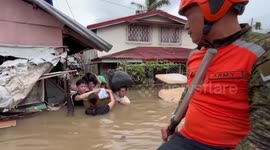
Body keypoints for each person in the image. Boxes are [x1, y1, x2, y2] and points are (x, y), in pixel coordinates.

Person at [158, 0, 270, 150]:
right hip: (186, 139)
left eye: (189, 17)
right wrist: (174, 122)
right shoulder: (195, 54)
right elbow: (190, 92)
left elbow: (264, 133)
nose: (186, 26)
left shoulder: (262, 51)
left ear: (213, 10)